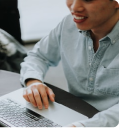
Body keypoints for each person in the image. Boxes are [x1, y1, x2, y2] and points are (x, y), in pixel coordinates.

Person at [20, 0, 119, 128]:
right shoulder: (68, 24)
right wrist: (33, 82)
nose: (74, 7)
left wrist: (84, 126)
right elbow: (39, 56)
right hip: (75, 113)